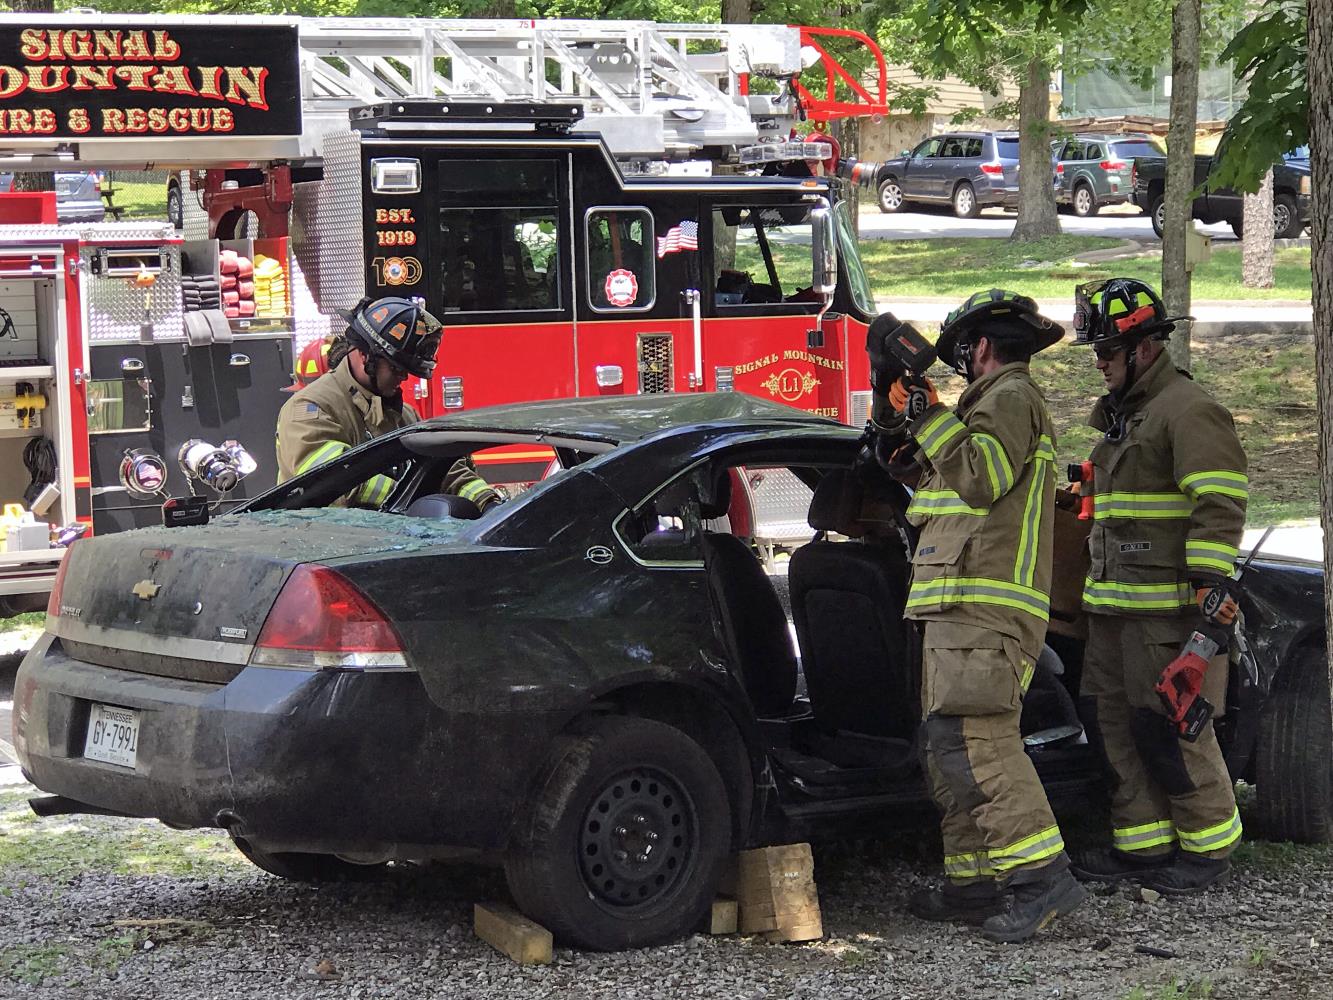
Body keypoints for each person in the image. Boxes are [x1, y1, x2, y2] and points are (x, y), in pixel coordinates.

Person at [886, 289, 1084, 943]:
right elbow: (943, 489)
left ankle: (1040, 880)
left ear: (980, 345)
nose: (956, 363)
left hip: (986, 602)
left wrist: (934, 417)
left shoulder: (1009, 398)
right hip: (962, 603)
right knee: (950, 747)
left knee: (979, 742)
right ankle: (972, 882)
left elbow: (980, 477)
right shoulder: (985, 410)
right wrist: (908, 423)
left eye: (960, 351)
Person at [1069, 278, 1246, 894]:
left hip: (1165, 615)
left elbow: (1219, 505)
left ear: (1142, 348)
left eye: (1106, 352)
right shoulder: (1127, 418)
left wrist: (1208, 602)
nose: (1098, 364)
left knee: (1174, 727)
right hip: (1113, 612)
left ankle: (1208, 849)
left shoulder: (1187, 410)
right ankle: (1142, 846)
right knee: (1113, 724)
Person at [276, 296, 500, 511]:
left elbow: (447, 470)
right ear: (365, 355)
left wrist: (488, 503)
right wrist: (414, 501)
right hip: (326, 543)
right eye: (396, 368)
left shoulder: (405, 415)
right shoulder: (311, 409)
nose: (404, 377)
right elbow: (337, 481)